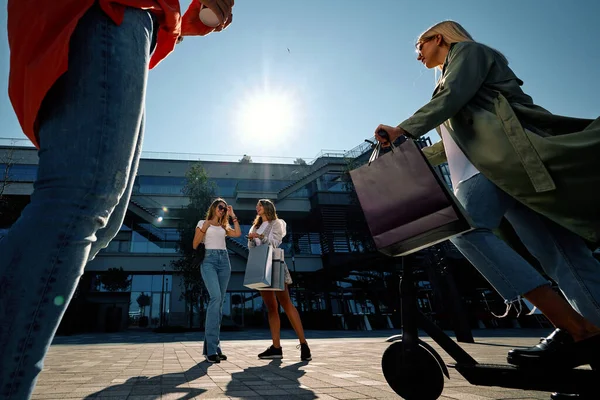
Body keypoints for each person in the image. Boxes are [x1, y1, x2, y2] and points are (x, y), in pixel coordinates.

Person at [1, 0, 233, 398]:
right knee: (79, 201)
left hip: (135, 22)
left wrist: (191, 18)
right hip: (104, 11)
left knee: (102, 223)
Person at [374, 20, 600, 375]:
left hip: (500, 165)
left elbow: (451, 100)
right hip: (508, 171)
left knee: (465, 229)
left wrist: (404, 129)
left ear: (439, 38)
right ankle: (596, 342)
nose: (417, 55)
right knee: (564, 256)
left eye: (419, 45)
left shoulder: (469, 53)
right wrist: (407, 150)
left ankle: (575, 327)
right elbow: (453, 148)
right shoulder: (454, 80)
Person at [248, 199, 312, 361]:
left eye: (260, 205)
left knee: (285, 302)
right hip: (261, 265)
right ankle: (276, 348)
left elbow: (275, 243)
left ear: (268, 207)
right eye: (257, 206)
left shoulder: (277, 223)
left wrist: (260, 237)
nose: (257, 207)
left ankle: (304, 344)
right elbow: (252, 248)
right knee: (271, 307)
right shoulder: (255, 226)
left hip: (274, 263)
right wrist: (252, 239)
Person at [193, 198, 241, 363]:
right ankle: (211, 349)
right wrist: (205, 227)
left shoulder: (223, 226)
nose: (222, 210)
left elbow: (237, 233)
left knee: (219, 305)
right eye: (220, 207)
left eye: (224, 209)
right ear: (214, 207)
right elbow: (195, 244)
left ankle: (213, 347)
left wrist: (233, 216)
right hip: (209, 261)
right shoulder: (202, 222)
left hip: (224, 261)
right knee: (216, 298)